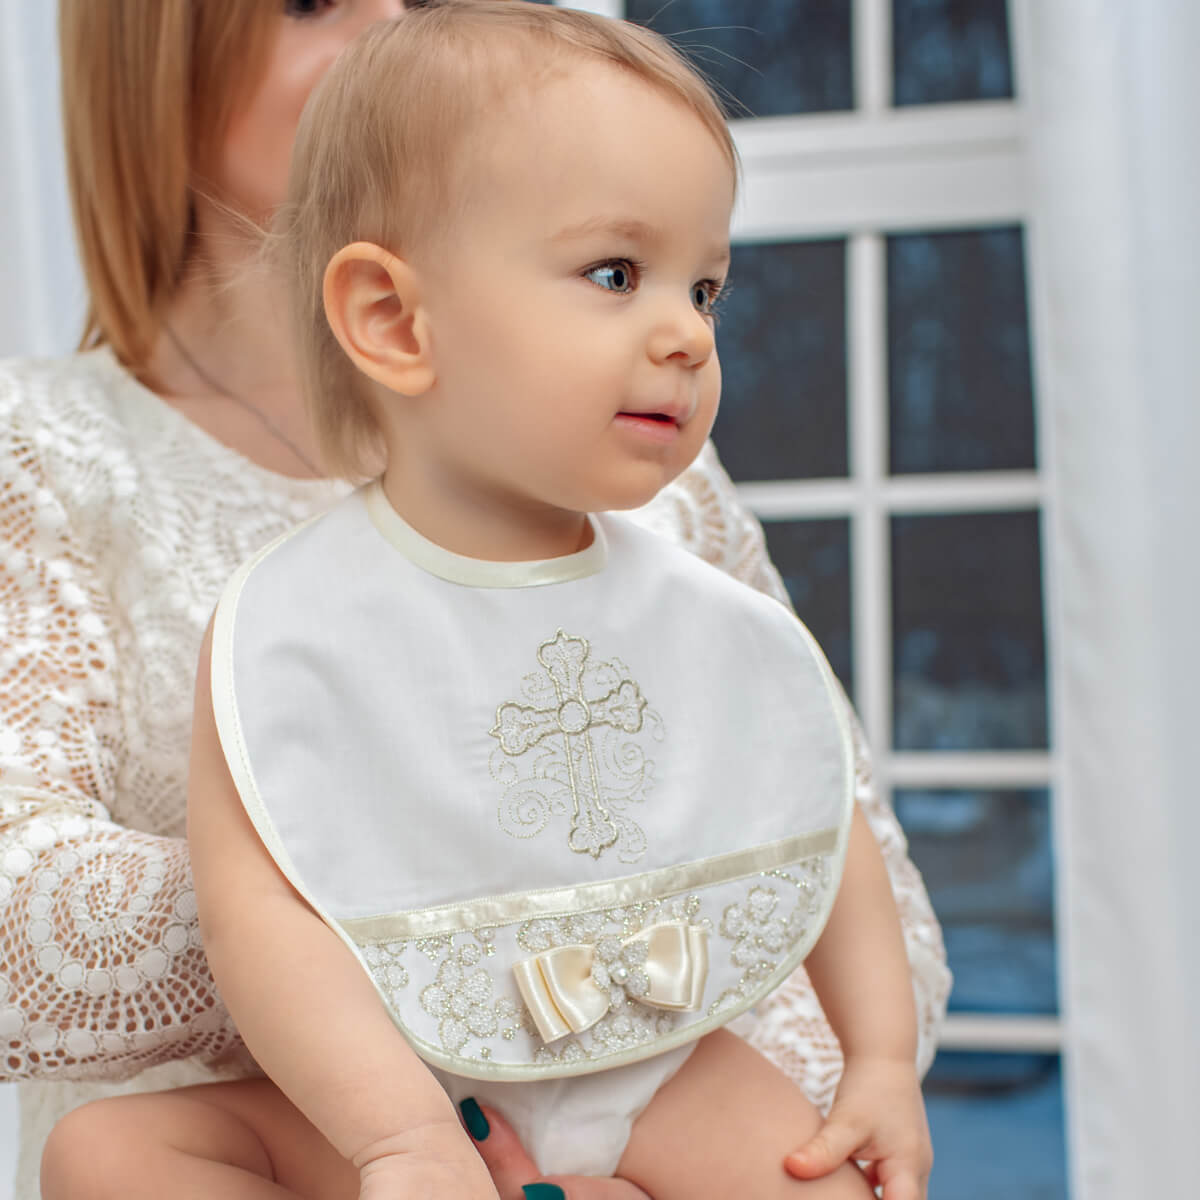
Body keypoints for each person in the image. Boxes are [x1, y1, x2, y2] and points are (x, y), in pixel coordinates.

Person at [0, 0, 949, 1197]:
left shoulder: (686, 572)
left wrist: (881, 1057)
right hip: (368, 1098)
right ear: (392, 318)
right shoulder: (278, 611)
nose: (687, 335)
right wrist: (404, 1138)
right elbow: (254, 910)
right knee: (110, 1156)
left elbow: (813, 807)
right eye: (616, 273)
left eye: (705, 288)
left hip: (662, 1065)